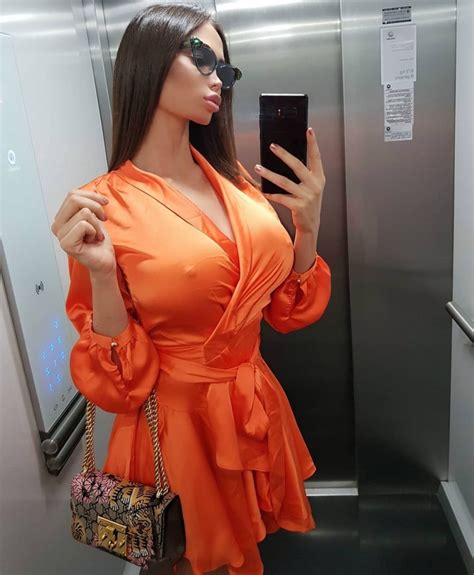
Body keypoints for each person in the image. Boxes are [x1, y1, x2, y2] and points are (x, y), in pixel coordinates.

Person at [51, 3, 331, 574]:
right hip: (177, 429)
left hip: (252, 406)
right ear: (147, 60)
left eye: (224, 69)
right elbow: (119, 384)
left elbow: (285, 310)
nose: (217, 79)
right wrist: (101, 273)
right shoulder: (104, 205)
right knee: (193, 563)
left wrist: (307, 226)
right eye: (201, 57)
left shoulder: (238, 183)